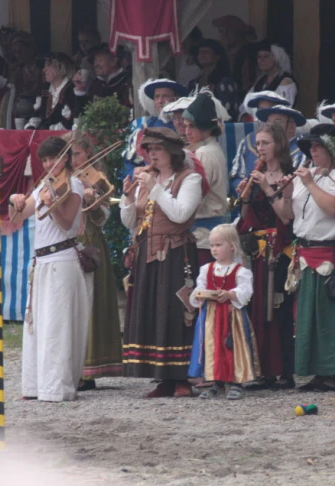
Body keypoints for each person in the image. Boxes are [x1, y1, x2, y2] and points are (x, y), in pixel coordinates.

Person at [271, 124, 335, 391]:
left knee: (331, 315)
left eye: (318, 146)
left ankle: (334, 373)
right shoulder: (303, 177)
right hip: (306, 252)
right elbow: (287, 216)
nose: (313, 151)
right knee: (308, 315)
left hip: (331, 251)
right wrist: (284, 194)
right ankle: (317, 372)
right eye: (311, 147)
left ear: (333, 149)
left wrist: (309, 182)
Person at [120, 128, 206, 398]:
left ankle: (182, 378)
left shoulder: (189, 179)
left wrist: (155, 188)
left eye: (157, 149)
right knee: (153, 310)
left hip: (176, 253)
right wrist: (127, 196)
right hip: (147, 252)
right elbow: (130, 222)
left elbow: (180, 214)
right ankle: (162, 378)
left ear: (171, 152)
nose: (152, 155)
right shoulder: (151, 180)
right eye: (149, 150)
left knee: (176, 311)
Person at [8, 137, 92, 402]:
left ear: (64, 158)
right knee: (37, 326)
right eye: (44, 160)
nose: (48, 164)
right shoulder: (44, 185)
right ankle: (35, 386)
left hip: (62, 258)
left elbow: (67, 223)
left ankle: (57, 387)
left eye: (53, 158)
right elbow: (18, 217)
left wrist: (51, 203)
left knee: (57, 326)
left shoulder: (74, 184)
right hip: (41, 262)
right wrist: (15, 199)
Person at [235, 122, 296, 390]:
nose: (260, 148)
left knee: (279, 308)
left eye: (265, 143)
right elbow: (246, 218)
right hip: (259, 250)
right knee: (257, 309)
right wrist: (246, 196)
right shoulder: (256, 174)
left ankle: (285, 372)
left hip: (281, 250)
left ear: (278, 145)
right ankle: (263, 372)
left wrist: (268, 189)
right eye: (258, 143)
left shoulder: (289, 176)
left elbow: (286, 216)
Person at [65, 131, 124, 390]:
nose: (73, 159)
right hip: (66, 241)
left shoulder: (95, 179)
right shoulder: (63, 177)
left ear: (88, 153)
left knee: (88, 303)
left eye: (76, 154)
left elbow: (102, 220)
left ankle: (87, 370)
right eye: (68, 155)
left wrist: (92, 201)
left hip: (88, 241)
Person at [189, 224, 259, 400]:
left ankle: (236, 382)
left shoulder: (241, 271)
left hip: (231, 316)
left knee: (233, 347)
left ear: (232, 246)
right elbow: (200, 287)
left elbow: (246, 292)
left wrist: (230, 294)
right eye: (212, 245)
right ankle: (215, 382)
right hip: (211, 316)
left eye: (218, 245)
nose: (214, 249)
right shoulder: (206, 269)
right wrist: (199, 296)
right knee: (213, 347)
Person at [182, 93, 231, 265]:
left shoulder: (205, 153)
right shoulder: (211, 148)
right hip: (208, 232)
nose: (187, 131)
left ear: (206, 128)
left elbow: (197, 196)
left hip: (204, 234)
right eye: (186, 126)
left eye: (192, 127)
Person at [230, 100, 305, 196]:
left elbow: (296, 190)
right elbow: (236, 174)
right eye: (269, 121)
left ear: (292, 127)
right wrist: (244, 190)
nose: (271, 126)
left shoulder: (302, 151)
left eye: (277, 122)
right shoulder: (248, 141)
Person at [26, 53, 80, 131]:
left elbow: (68, 122)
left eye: (48, 66)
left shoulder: (70, 90)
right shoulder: (45, 88)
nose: (44, 70)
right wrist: (31, 127)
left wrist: (47, 130)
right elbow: (37, 114)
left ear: (61, 67)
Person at [187, 39, 239, 119]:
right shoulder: (193, 83)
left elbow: (228, 110)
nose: (202, 54)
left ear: (217, 57)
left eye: (206, 52)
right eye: (200, 52)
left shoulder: (225, 82)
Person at [240, 41, 296, 112]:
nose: (261, 60)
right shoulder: (260, 83)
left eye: (266, 56)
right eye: (259, 57)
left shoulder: (285, 82)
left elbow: (285, 108)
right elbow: (245, 106)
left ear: (276, 58)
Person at [212, 15, 256, 95]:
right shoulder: (220, 53)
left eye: (229, 31)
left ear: (238, 33)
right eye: (221, 31)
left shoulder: (251, 52)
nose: (224, 35)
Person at [79, 44, 132, 108]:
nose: (95, 64)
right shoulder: (96, 84)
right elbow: (83, 114)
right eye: (95, 60)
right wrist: (80, 90)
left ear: (113, 61)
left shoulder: (127, 83)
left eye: (100, 60)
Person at [7, 32, 44, 120]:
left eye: (21, 50)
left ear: (30, 49)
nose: (18, 55)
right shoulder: (16, 71)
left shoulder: (42, 68)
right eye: (15, 52)